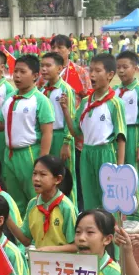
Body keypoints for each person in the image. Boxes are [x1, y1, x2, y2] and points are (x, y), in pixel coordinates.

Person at [0, 55, 54, 214]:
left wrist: (42, 161)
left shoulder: (39, 100)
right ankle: (21, 237)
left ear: (35, 76)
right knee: (16, 200)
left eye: (22, 72)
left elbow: (47, 133)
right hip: (9, 155)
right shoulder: (10, 98)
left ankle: (39, 235)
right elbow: (0, 125)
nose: (17, 76)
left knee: (34, 197)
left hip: (29, 153)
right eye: (15, 71)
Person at [75, 54, 127, 210]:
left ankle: (113, 231)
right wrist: (64, 110)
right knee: (90, 196)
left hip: (105, 153)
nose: (92, 75)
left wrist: (119, 167)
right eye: (90, 70)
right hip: (86, 153)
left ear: (110, 75)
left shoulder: (115, 103)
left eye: (97, 71)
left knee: (109, 199)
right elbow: (75, 132)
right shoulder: (85, 102)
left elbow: (121, 137)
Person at [115, 51, 139, 233]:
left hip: (133, 133)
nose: (121, 71)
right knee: (119, 175)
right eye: (118, 67)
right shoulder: (114, 91)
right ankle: (124, 210)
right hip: (117, 135)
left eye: (125, 67)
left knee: (135, 175)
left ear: (135, 68)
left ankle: (138, 216)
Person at [16, 155, 77, 253]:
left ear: (57, 179)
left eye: (42, 174)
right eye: (34, 173)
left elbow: (75, 246)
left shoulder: (66, 207)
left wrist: (50, 250)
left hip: (63, 265)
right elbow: (26, 240)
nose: (36, 178)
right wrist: (8, 219)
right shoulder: (33, 204)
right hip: (42, 265)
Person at [39, 52, 78, 200]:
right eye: (42, 66)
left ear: (60, 68)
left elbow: (71, 116)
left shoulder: (65, 89)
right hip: (47, 136)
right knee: (49, 175)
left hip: (62, 135)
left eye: (48, 66)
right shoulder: (42, 90)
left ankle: (71, 211)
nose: (44, 69)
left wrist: (67, 142)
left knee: (66, 175)